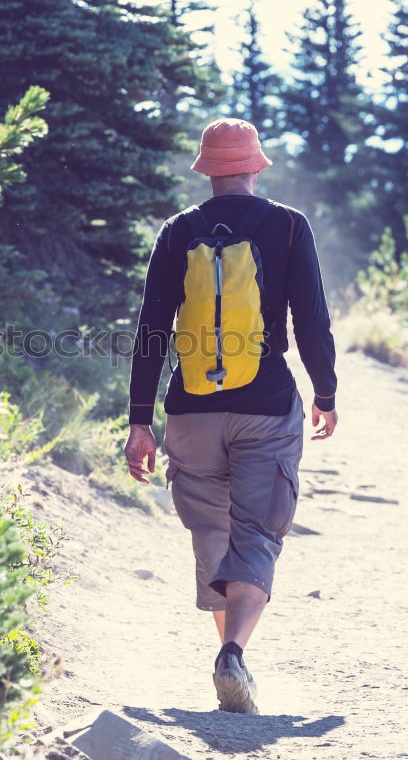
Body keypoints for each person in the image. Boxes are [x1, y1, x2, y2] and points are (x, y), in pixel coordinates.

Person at [123, 117, 338, 715]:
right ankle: (234, 655)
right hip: (265, 407)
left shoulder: (177, 232)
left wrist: (140, 420)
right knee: (257, 531)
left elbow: (151, 331)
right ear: (255, 166)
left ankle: (230, 660)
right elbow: (312, 321)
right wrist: (326, 392)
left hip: (190, 412)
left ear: (206, 170)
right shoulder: (289, 227)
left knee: (211, 533)